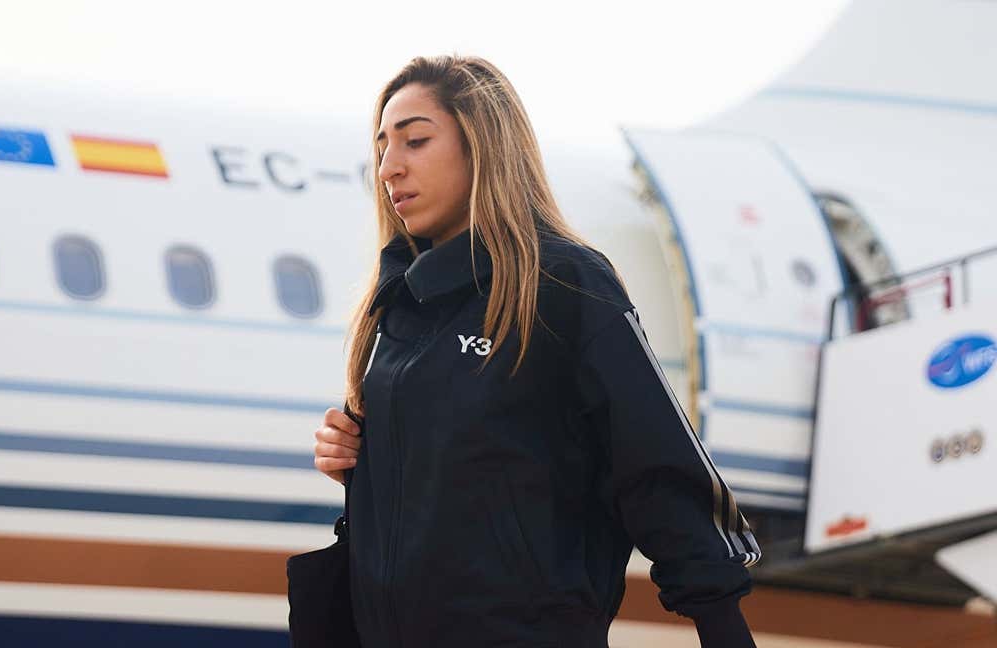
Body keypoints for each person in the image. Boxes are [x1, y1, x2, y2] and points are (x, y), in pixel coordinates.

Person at [312, 54, 762, 648]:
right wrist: (360, 461)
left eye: (415, 141)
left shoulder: (562, 282)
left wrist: (720, 622)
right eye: (380, 149)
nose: (388, 168)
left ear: (483, 147)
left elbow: (652, 458)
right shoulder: (395, 305)